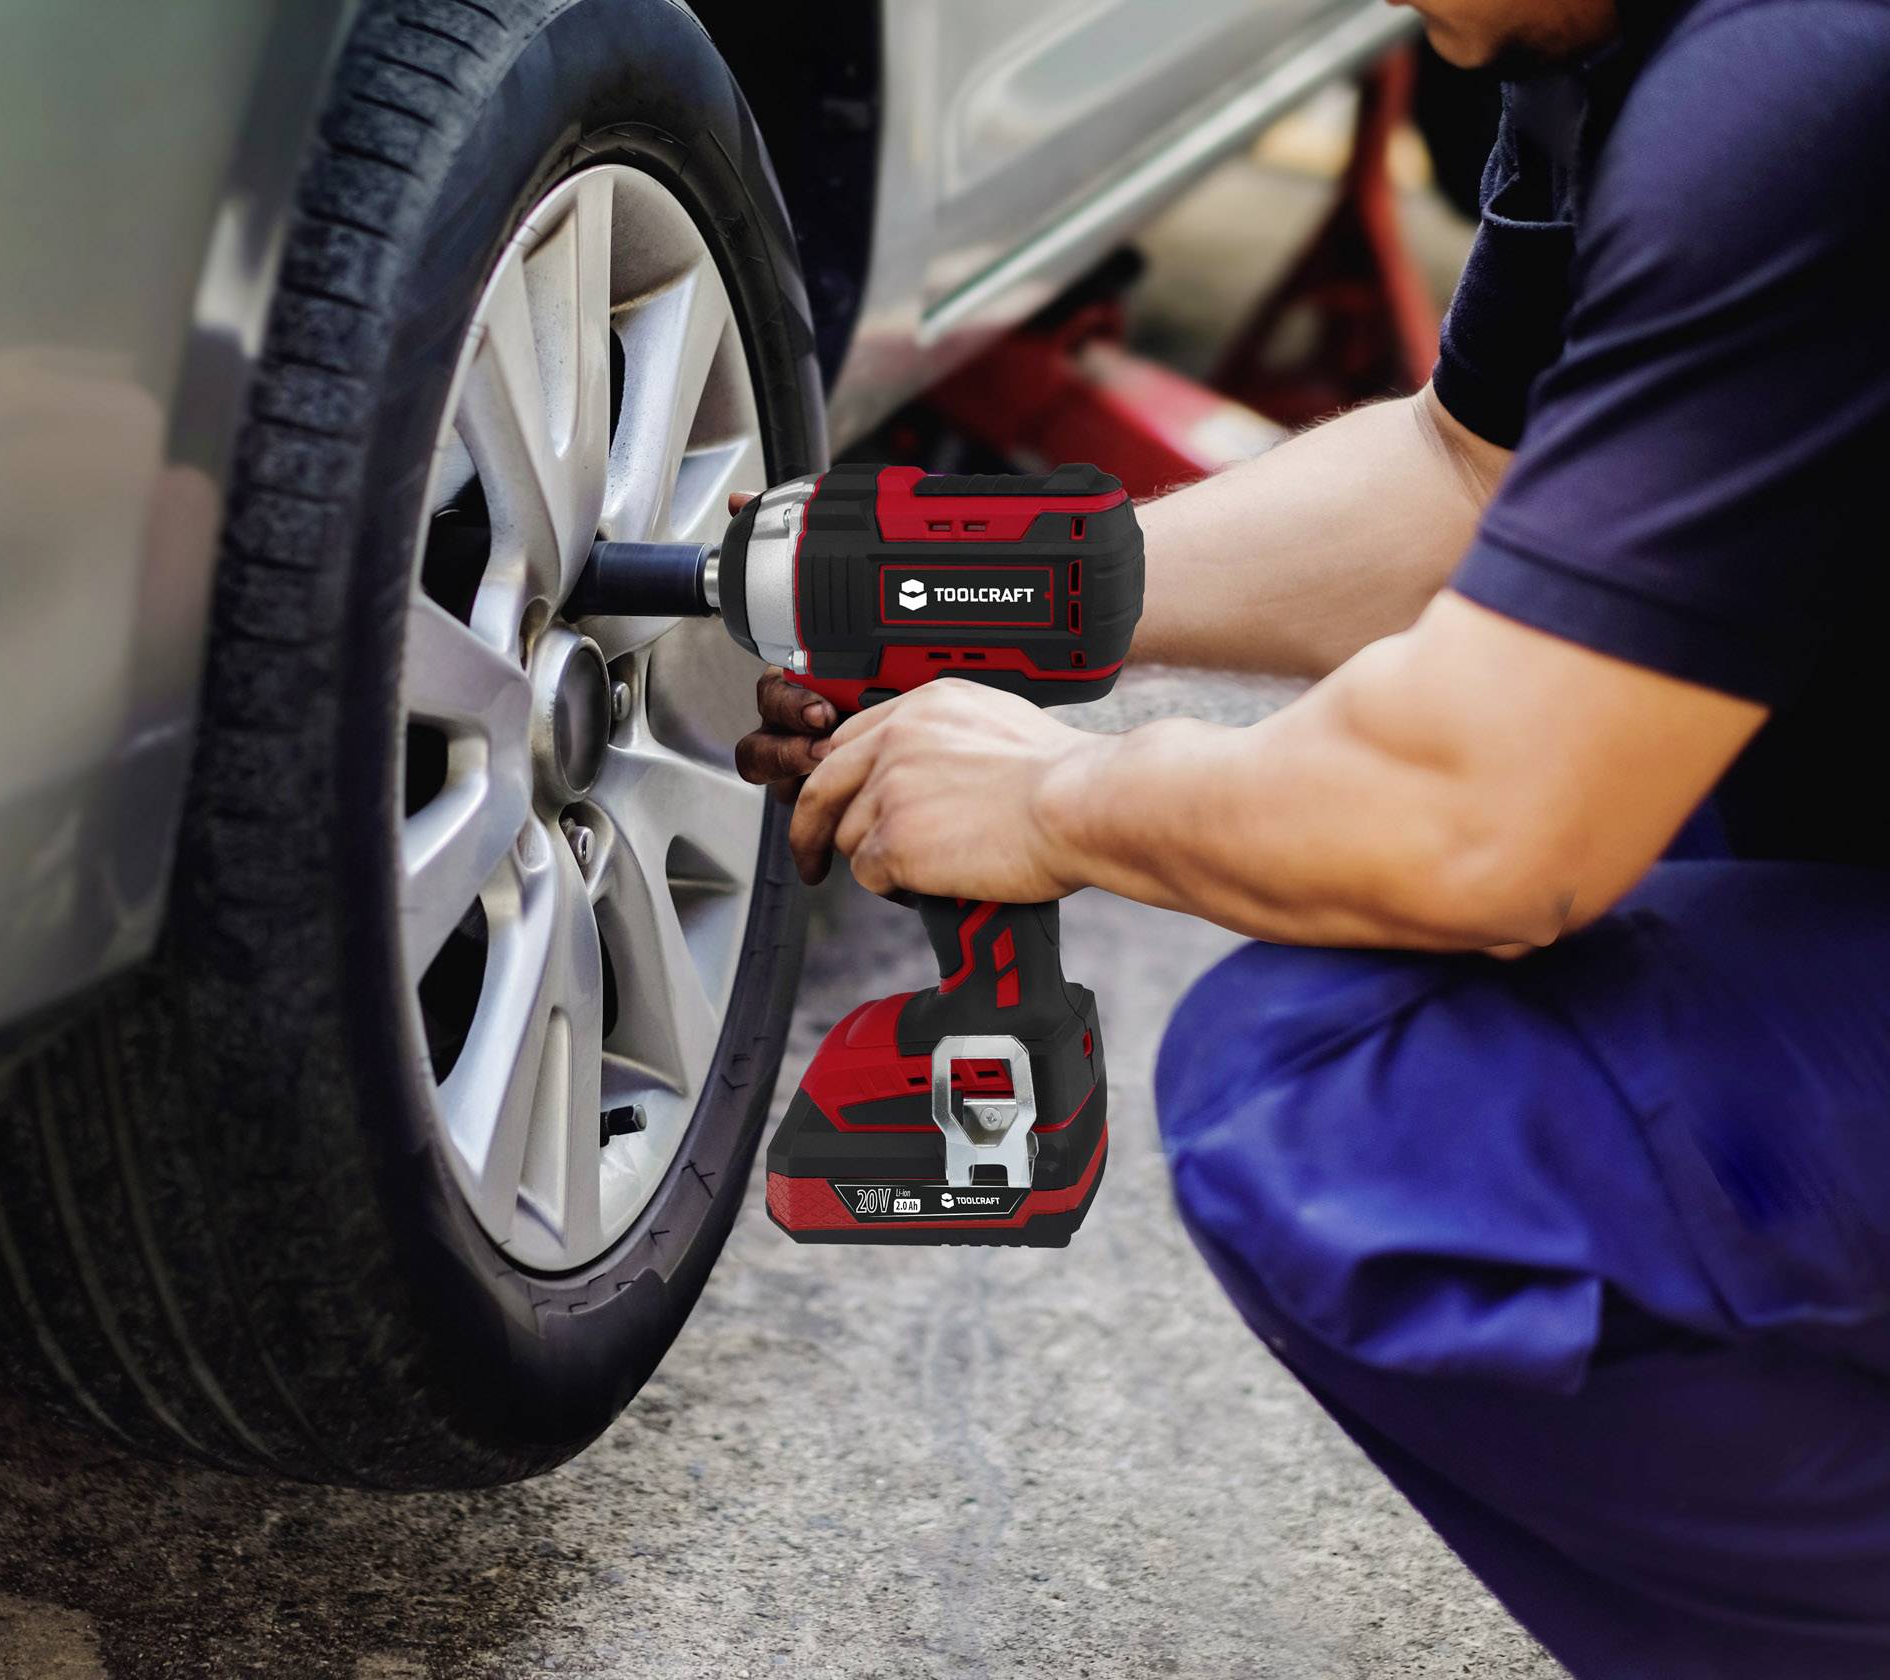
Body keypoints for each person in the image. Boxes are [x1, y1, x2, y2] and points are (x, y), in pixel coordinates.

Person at [734, 1, 1890, 1673]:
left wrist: (1054, 799)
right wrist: (997, 594)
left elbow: (1489, 825)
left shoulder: (1800, 78)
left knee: (1337, 1105)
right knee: (1684, 744)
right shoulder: (1598, 47)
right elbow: (1474, 480)